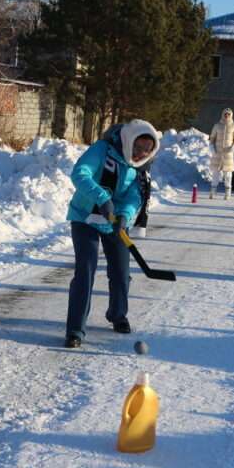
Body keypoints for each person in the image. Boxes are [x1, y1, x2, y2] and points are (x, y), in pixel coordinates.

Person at [64, 119, 159, 349]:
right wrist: (102, 198)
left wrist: (125, 215)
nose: (139, 155)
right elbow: (80, 173)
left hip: (114, 222)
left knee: (120, 269)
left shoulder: (140, 168)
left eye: (146, 151)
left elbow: (134, 196)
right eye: (136, 148)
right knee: (85, 270)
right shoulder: (102, 150)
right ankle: (75, 329)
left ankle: (118, 315)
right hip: (85, 216)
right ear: (128, 140)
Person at [209, 108, 234, 200]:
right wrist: (211, 147)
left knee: (228, 174)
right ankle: (213, 191)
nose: (227, 116)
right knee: (216, 174)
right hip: (217, 153)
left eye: (228, 114)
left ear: (231, 115)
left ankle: (228, 193)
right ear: (223, 114)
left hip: (228, 154)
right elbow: (212, 137)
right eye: (225, 114)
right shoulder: (217, 125)